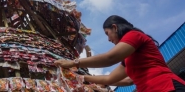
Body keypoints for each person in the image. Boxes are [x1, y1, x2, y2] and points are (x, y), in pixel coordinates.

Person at [54, 15, 185, 92]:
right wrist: (81, 78)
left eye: (107, 34)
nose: (108, 39)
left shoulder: (134, 35)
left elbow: (110, 58)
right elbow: (111, 79)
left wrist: (74, 63)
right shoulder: (128, 58)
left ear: (115, 27)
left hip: (166, 87)